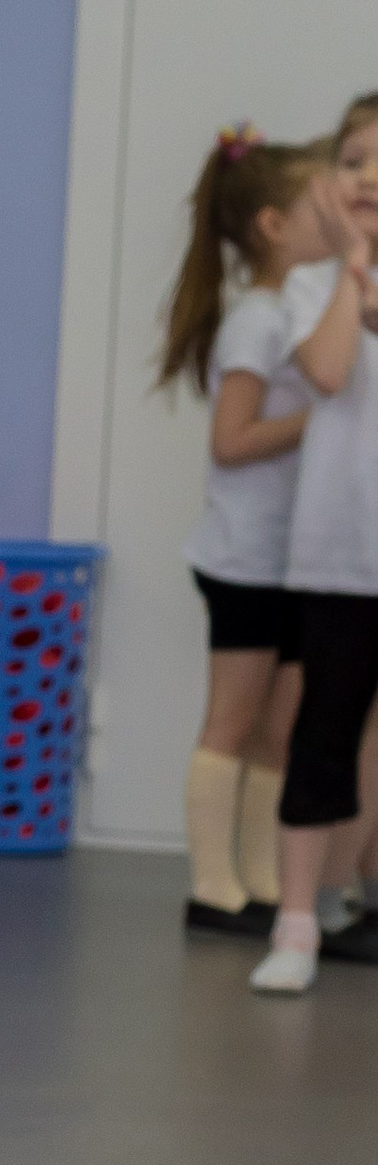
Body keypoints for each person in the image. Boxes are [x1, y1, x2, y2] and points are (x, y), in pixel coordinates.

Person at [154, 129, 322, 933]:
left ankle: (259, 879)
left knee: (278, 726)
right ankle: (213, 889)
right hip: (245, 556)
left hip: (291, 556)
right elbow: (232, 441)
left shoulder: (298, 312)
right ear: (272, 226)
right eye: (318, 204)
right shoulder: (257, 320)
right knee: (234, 719)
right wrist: (323, 419)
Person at [253, 98, 378, 996]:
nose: (368, 178)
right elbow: (329, 372)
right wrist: (356, 270)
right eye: (353, 161)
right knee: (322, 736)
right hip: (340, 555)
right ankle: (295, 925)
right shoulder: (308, 287)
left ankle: (356, 892)